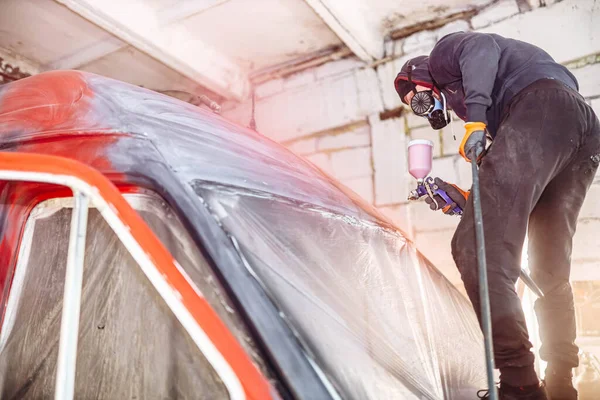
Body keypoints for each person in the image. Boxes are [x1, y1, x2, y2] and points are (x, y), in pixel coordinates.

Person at [395, 31, 600, 400]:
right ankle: (561, 382)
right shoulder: (502, 115)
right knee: (547, 267)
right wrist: (468, 199)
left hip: (541, 106)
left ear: (426, 77)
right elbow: (512, 184)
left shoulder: (444, 56)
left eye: (422, 98)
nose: (425, 109)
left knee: (475, 246)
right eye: (417, 108)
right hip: (580, 131)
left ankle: (520, 384)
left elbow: (481, 47)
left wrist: (474, 119)